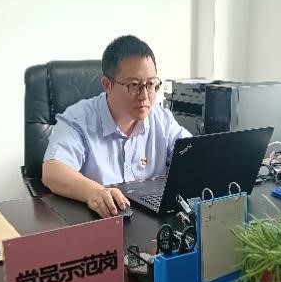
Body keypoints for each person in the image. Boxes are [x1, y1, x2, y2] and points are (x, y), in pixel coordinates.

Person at [42, 35, 191, 218]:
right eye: (134, 85)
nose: (144, 96)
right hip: (101, 220)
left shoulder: (161, 119)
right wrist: (94, 192)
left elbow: (194, 154)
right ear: (107, 85)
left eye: (151, 84)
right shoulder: (78, 120)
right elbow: (52, 171)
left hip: (153, 220)